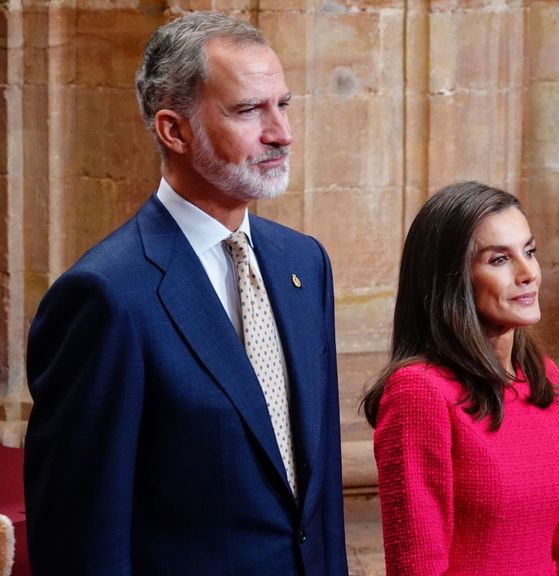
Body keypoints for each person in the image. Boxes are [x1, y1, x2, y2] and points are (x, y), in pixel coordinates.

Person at [23, 12, 347, 575]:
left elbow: (318, 491)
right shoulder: (105, 297)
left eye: (283, 104)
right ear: (173, 130)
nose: (281, 133)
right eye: (249, 110)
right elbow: (80, 538)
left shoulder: (305, 263)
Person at [361, 181, 559, 575]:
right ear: (452, 280)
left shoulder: (543, 377)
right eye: (499, 260)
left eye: (529, 252)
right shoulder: (419, 392)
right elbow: (418, 565)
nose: (528, 274)